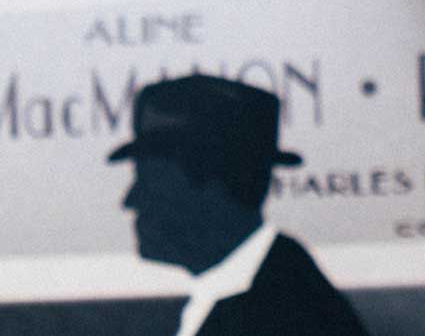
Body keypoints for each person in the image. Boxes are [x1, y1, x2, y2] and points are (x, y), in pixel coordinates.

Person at [108, 75, 366, 335]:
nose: (130, 201)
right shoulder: (267, 288)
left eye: (152, 181)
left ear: (215, 190)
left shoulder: (285, 311)